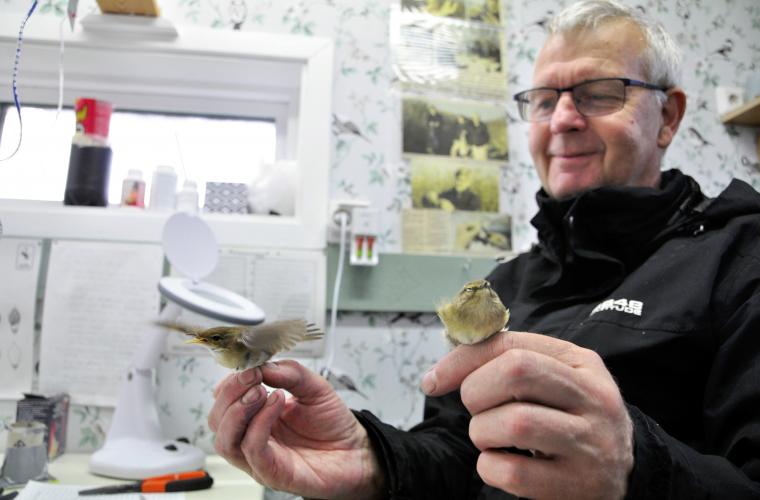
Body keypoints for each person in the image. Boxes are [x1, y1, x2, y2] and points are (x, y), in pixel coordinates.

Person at [208, 1, 760, 498]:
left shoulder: (740, 257)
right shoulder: (506, 284)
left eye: (599, 93)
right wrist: (372, 460)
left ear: (668, 117)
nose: (563, 119)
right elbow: (457, 453)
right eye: (544, 99)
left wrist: (637, 466)